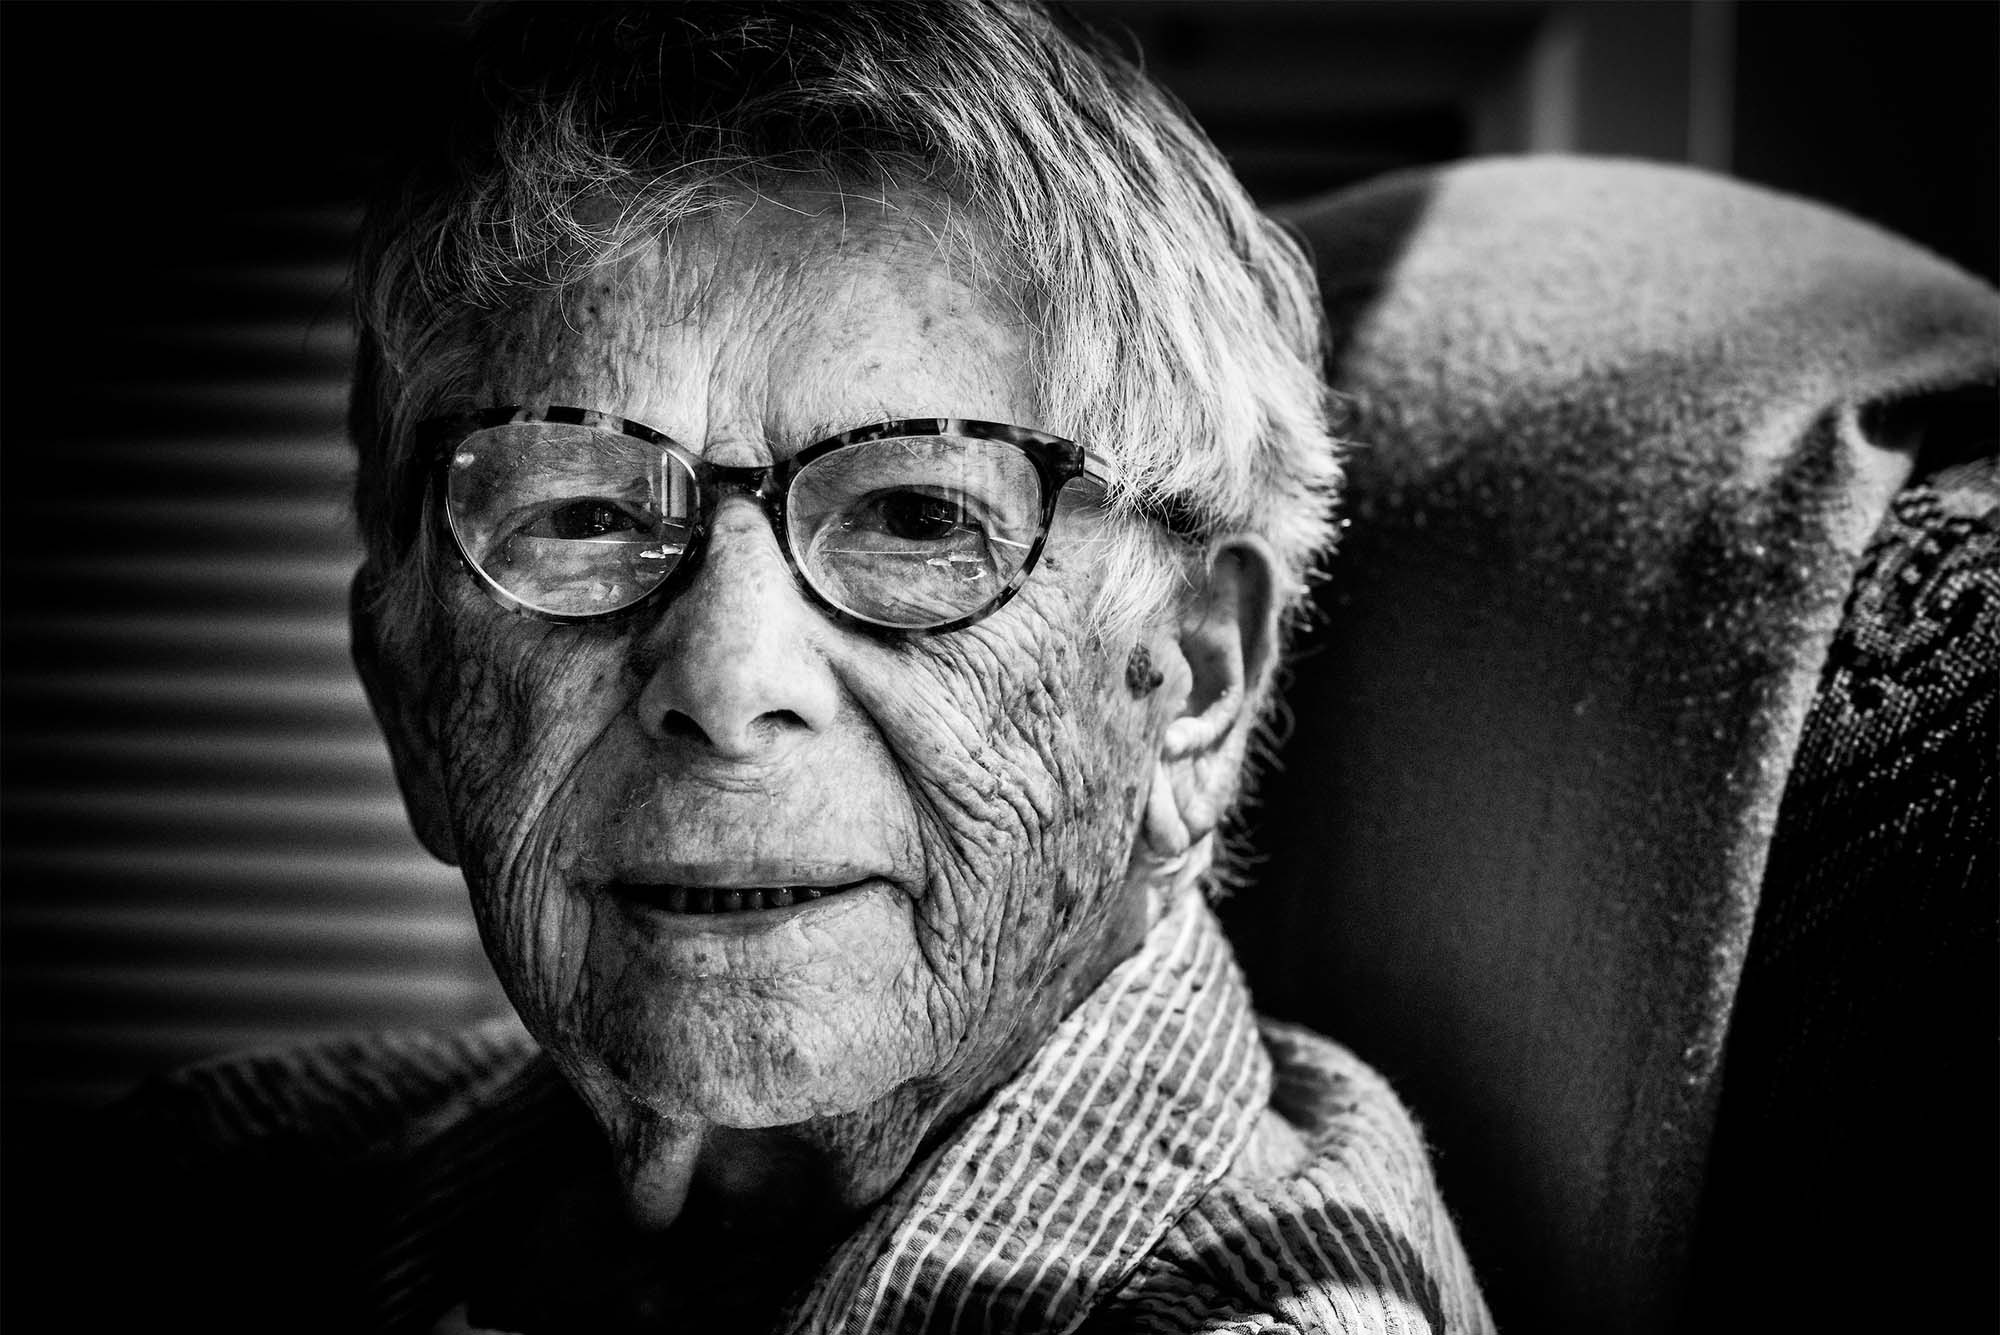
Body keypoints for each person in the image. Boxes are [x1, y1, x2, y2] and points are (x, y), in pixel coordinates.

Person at [84, 4, 1493, 1330]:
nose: (725, 675)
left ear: (1192, 680)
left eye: (918, 516)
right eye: (578, 515)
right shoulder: (188, 1191)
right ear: (414, 706)